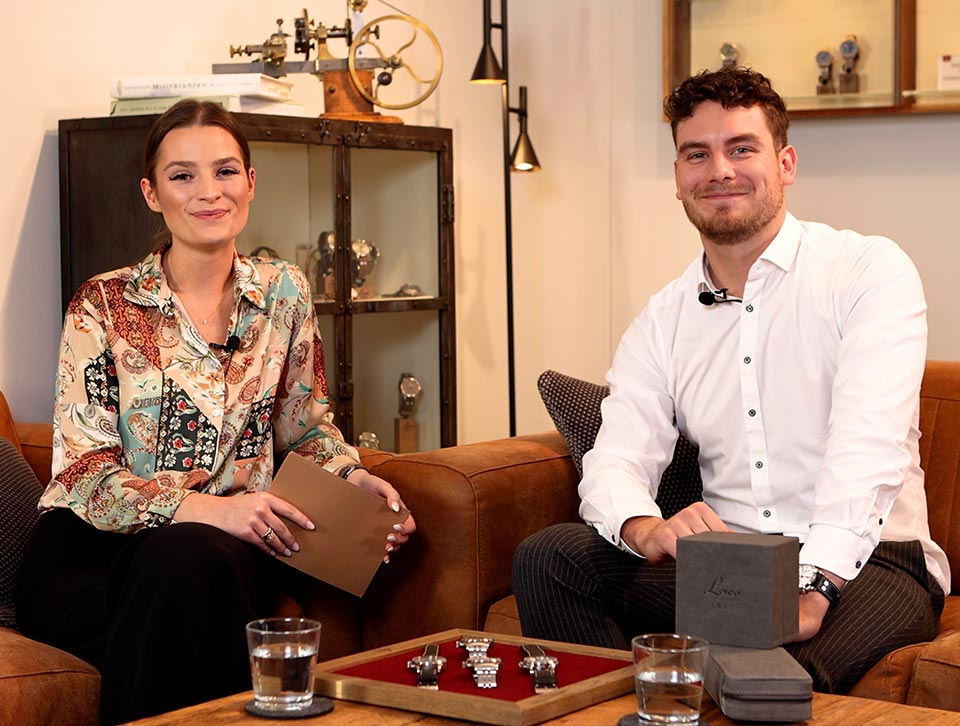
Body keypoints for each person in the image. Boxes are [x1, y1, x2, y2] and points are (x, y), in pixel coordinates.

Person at [512, 67, 948, 694]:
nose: (719, 170)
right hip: (732, 563)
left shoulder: (867, 272)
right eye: (697, 154)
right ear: (678, 178)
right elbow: (617, 456)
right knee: (549, 557)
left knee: (766, 680)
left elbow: (867, 446)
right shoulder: (662, 321)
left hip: (873, 562)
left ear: (785, 163)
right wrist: (644, 527)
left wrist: (814, 586)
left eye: (741, 148)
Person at [14, 99, 416, 724]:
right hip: (91, 552)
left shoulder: (284, 292)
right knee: (184, 577)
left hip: (218, 555)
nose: (209, 191)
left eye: (225, 171)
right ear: (151, 193)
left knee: (188, 566)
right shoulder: (103, 303)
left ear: (250, 182)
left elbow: (305, 429)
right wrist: (213, 510)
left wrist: (354, 478)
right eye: (183, 175)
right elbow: (84, 473)